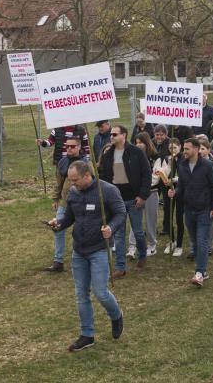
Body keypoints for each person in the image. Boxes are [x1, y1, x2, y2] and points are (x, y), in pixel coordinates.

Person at [49, 161, 126, 350]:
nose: (72, 184)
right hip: (79, 250)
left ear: (87, 176)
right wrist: (58, 224)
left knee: (100, 292)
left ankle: (116, 315)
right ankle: (87, 335)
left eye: (75, 180)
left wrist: (111, 228)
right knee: (81, 294)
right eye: (70, 180)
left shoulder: (107, 190)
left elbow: (120, 213)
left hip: (99, 249)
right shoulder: (74, 193)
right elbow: (69, 218)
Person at [96, 125, 152, 278]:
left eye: (115, 134)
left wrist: (142, 196)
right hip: (116, 201)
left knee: (138, 232)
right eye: (111, 135)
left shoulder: (136, 152)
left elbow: (147, 174)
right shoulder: (108, 154)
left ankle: (142, 255)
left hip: (134, 199)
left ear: (124, 135)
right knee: (119, 234)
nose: (111, 137)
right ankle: (120, 267)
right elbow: (105, 176)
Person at [174, 138, 213, 287]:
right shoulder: (182, 165)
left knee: (202, 241)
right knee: (194, 241)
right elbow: (181, 186)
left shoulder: (208, 165)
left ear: (196, 149)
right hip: (189, 209)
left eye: (187, 149)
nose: (184, 152)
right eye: (184, 149)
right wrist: (174, 193)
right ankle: (204, 270)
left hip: (205, 210)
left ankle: (199, 273)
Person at [46, 137, 86, 272]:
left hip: (82, 203)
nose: (69, 148)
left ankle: (86, 258)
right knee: (58, 228)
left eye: (73, 146)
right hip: (64, 203)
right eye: (67, 146)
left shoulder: (85, 163)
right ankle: (58, 261)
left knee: (82, 230)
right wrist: (55, 199)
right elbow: (59, 182)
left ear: (79, 147)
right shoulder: (62, 162)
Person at [147, 134, 183, 257]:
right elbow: (164, 175)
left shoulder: (183, 158)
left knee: (178, 217)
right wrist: (164, 170)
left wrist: (173, 179)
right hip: (168, 190)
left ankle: (179, 245)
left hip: (180, 189)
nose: (172, 150)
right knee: (168, 216)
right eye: (170, 148)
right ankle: (171, 241)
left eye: (174, 148)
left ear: (180, 147)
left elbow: (182, 176)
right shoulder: (167, 158)